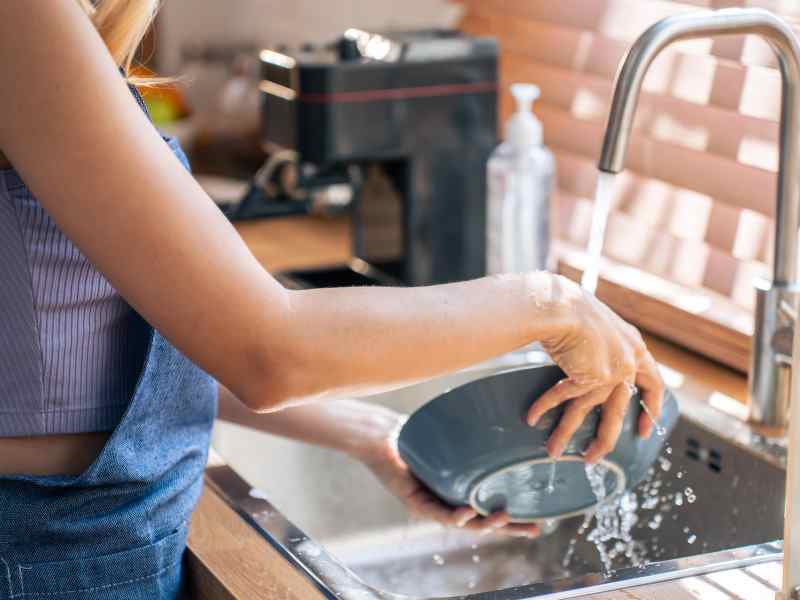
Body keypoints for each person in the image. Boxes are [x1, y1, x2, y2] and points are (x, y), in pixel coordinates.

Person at [0, 2, 664, 598]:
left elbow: (113, 334)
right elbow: (269, 352)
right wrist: (549, 303)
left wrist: (365, 431)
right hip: (52, 564)